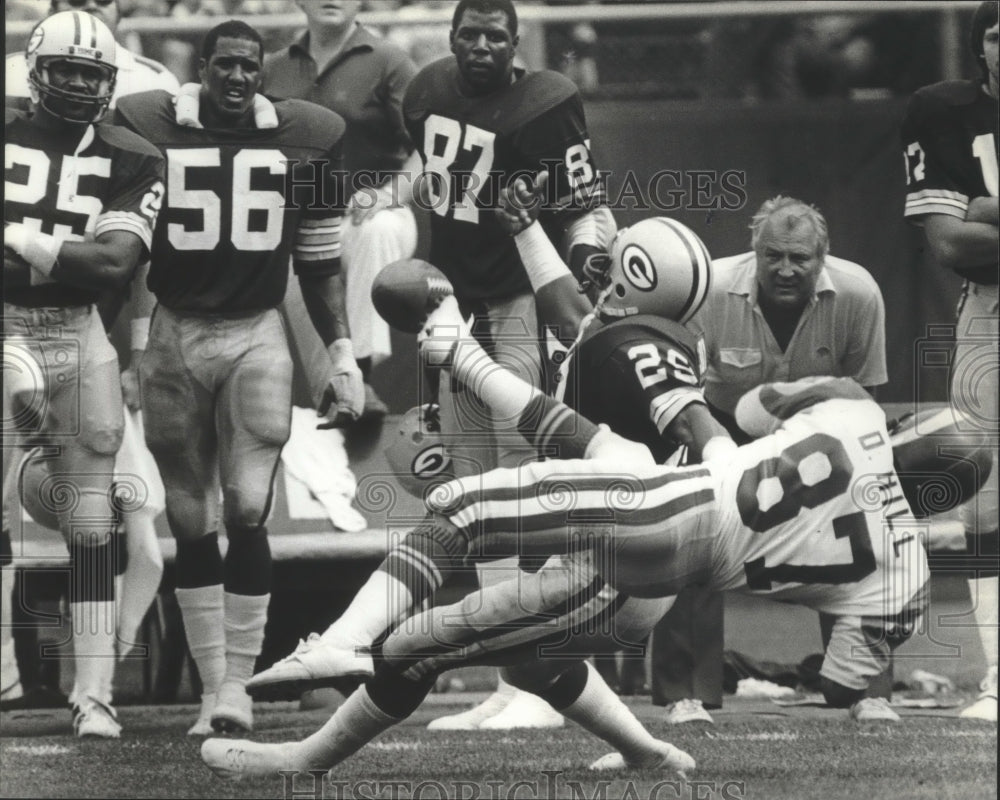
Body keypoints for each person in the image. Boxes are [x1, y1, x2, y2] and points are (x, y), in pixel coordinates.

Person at [201, 320, 984, 779]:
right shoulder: (905, 577)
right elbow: (846, 686)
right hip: (675, 571)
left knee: (462, 505)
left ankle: (337, 645)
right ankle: (644, 753)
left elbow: (746, 408)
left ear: (913, 433)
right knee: (439, 648)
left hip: (659, 516)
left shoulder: (851, 414)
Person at [113, 19, 364, 736]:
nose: (235, 77)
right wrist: (133, 348)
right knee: (191, 520)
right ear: (204, 66)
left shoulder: (305, 135)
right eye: (224, 64)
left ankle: (237, 687)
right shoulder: (144, 124)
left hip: (256, 331)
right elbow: (121, 251)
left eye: (248, 66)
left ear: (261, 71)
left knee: (248, 509)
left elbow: (319, 261)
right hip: (174, 330)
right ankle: (209, 690)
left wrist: (342, 354)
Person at [650, 195, 891, 725]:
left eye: (799, 258)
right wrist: (712, 457)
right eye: (773, 256)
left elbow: (864, 399)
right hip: (718, 420)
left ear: (822, 257)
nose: (785, 269)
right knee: (689, 533)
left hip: (819, 426)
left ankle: (866, 690)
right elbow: (677, 388)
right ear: (753, 251)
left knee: (862, 531)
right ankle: (685, 696)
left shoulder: (859, 294)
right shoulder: (704, 289)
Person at [2, 0, 179, 715]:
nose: (78, 85)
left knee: (93, 527)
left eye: (91, 73)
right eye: (66, 71)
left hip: (78, 334)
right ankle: (6, 676)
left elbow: (112, 266)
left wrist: (14, 236)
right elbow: (94, 254)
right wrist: (57, 251)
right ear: (37, 72)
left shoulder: (133, 154)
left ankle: (95, 690)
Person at [901, 0, 999, 723]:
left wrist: (989, 212)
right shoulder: (943, 111)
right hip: (990, 310)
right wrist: (973, 223)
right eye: (999, 34)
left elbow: (977, 228)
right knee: (984, 495)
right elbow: (949, 243)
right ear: (980, 47)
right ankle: (999, 676)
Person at [262, 0, 420, 420]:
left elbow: (430, 146)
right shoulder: (273, 66)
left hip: (367, 216)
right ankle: (336, 393)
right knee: (299, 275)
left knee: (377, 230)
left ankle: (362, 372)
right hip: (298, 225)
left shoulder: (389, 60)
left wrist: (389, 194)